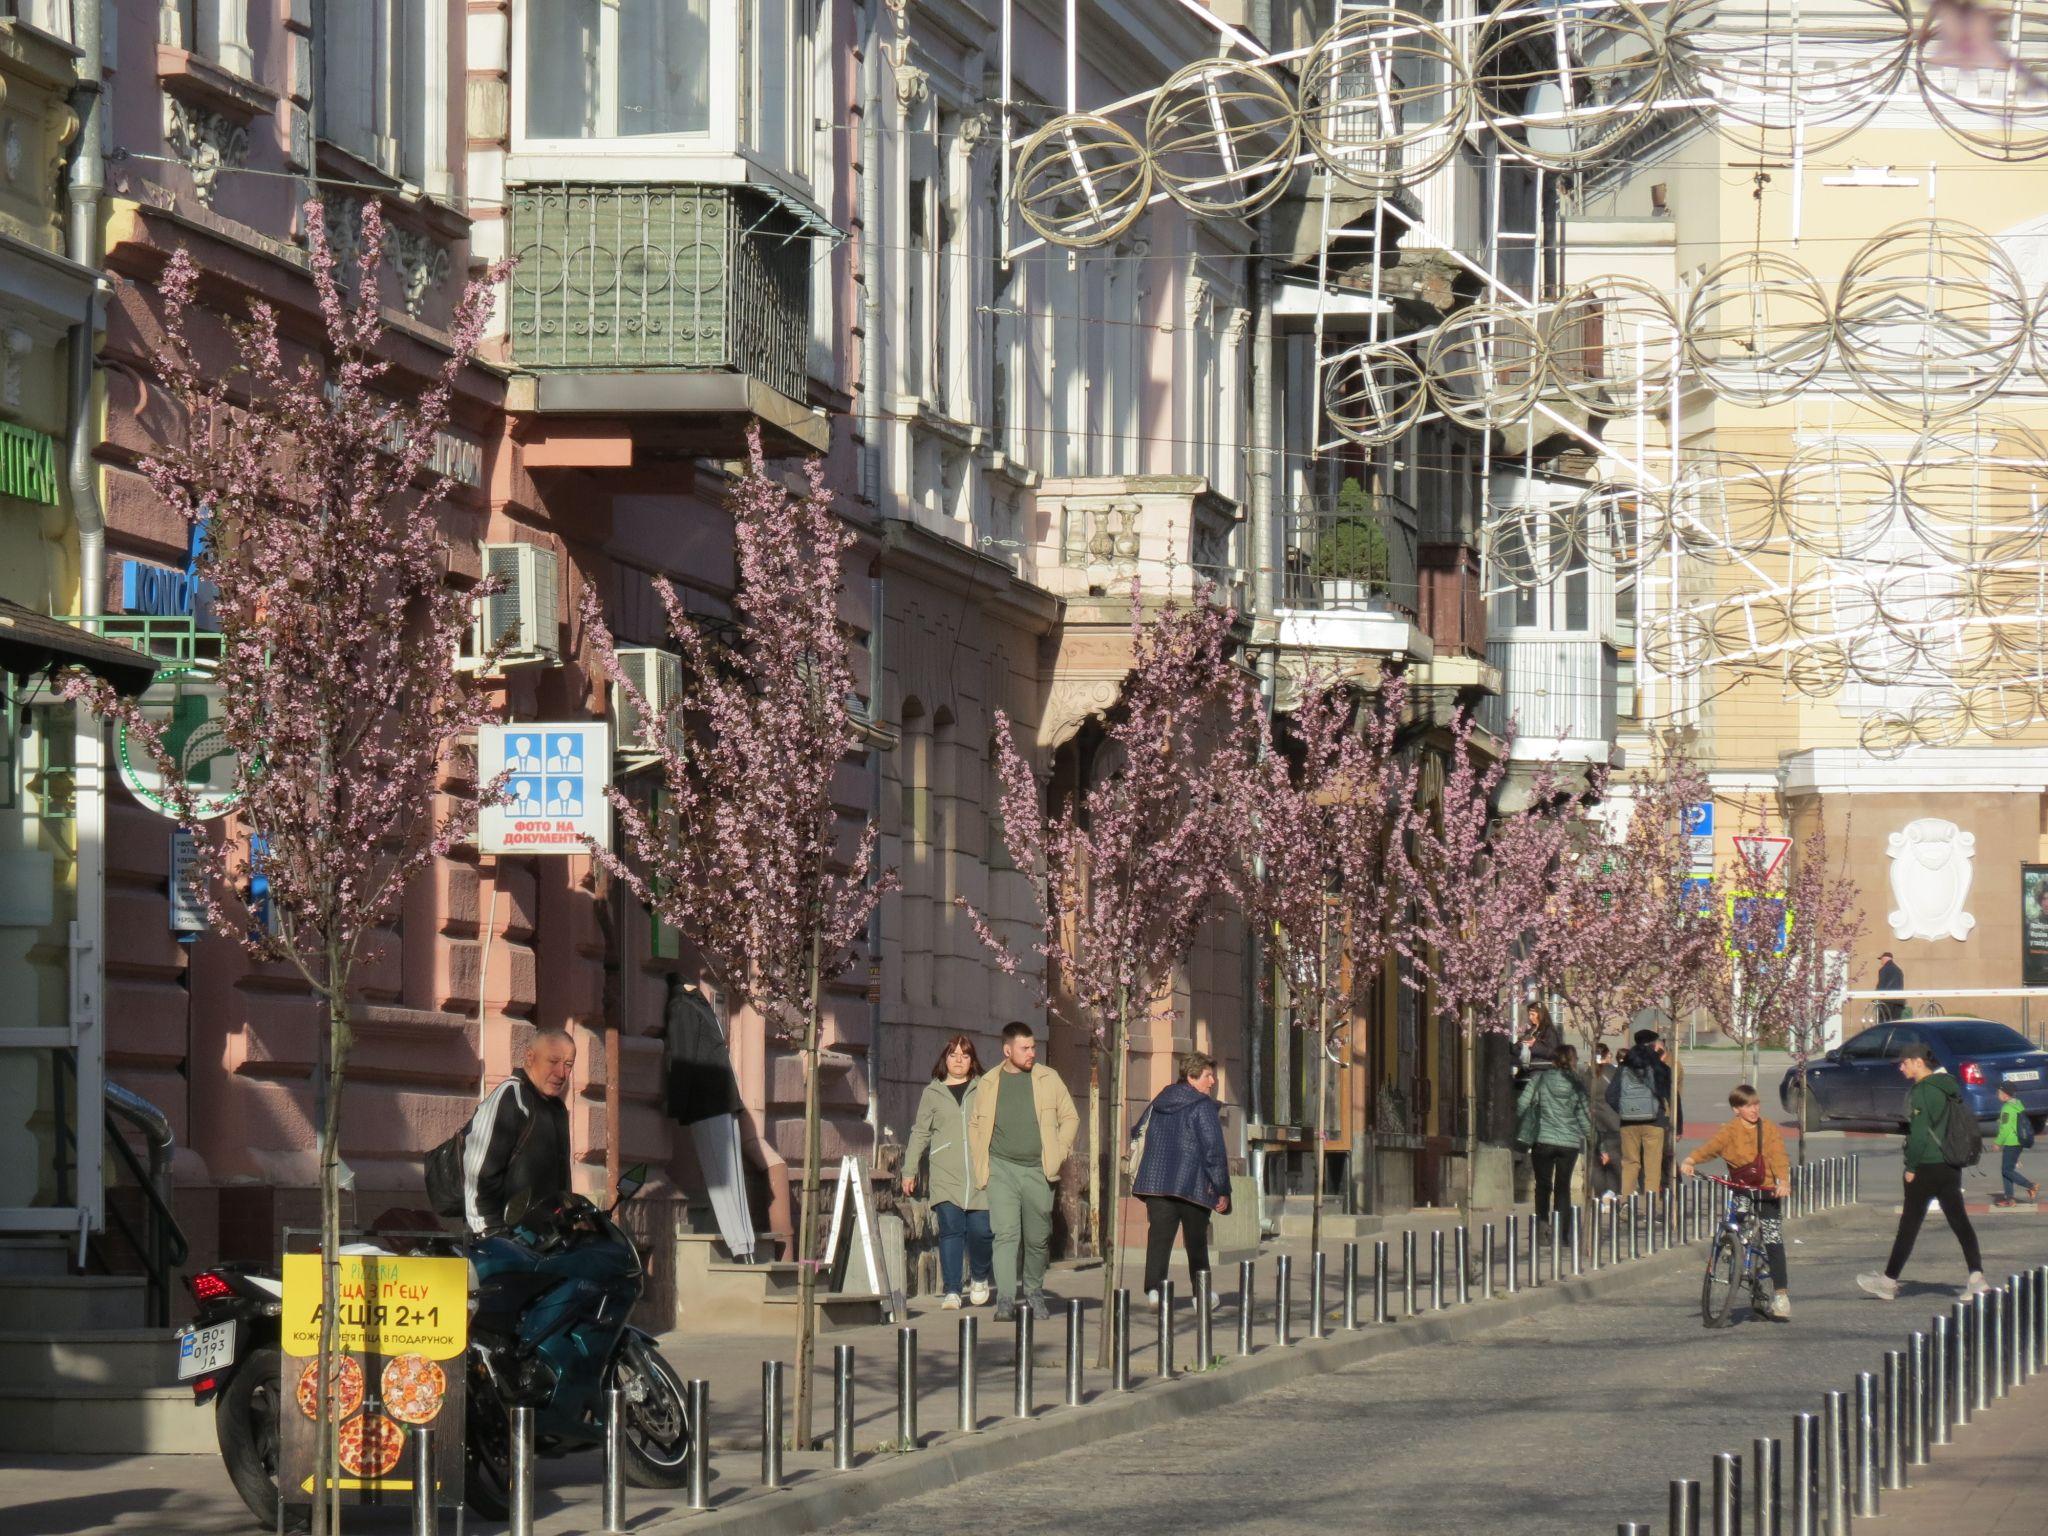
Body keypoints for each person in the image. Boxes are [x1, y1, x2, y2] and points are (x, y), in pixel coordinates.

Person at [967, 1021, 1080, 1321]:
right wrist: (982, 1158)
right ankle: (1005, 1299)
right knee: (1005, 1235)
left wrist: (1059, 1150)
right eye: (1025, 1048)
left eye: (1033, 1047)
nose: (1032, 1053)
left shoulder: (1048, 1079)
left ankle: (1033, 1291)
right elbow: (976, 1123)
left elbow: (1070, 1116)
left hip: (1038, 1170)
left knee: (1037, 1238)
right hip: (1001, 1169)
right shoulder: (989, 1082)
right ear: (1007, 1050)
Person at [1858, 1046, 1990, 1300]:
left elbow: (1918, 1135)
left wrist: (1911, 1168)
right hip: (1950, 1164)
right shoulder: (1947, 1085)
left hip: (1926, 1167)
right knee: (1960, 1222)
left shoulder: (1923, 1092)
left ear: (1918, 1062)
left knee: (1909, 1226)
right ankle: (1977, 1277)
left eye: (1904, 1062)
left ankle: (1888, 1282)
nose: (1901, 1067)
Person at [1680, 1084, 1794, 1319]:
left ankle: (1781, 1296)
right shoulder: (1730, 1131)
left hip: (1767, 1189)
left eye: (1756, 1104)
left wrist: (1783, 1181)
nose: (1754, 1110)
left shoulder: (1768, 1128)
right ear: (1736, 1109)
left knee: (1773, 1239)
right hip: (1742, 1187)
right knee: (1736, 1219)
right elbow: (1712, 1148)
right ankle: (1735, 1248)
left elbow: (1779, 1155)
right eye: (1747, 1106)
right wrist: (1691, 1159)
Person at [663, 978, 756, 1264]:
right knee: (734, 1180)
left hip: (706, 1102)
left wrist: (675, 1104)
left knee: (720, 1179)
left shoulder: (680, 1008)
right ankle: (747, 1246)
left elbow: (683, 1057)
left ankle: (739, 1249)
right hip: (725, 1100)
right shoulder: (703, 1006)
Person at [1131, 1051, 1231, 1303]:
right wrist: (1222, 1189)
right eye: (1208, 1076)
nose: (1212, 1082)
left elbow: (1137, 1133)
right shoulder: (1202, 1106)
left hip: (1157, 1184)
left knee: (1159, 1240)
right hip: (1193, 1186)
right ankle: (1201, 1294)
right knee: (1196, 1242)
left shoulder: (1160, 1100)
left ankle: (1154, 1292)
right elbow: (1214, 1151)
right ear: (1191, 1077)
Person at [903, 1034, 994, 1308]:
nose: (958, 1060)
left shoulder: (985, 1089)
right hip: (945, 1174)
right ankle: (952, 1289)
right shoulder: (933, 1092)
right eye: (953, 1055)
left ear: (972, 1061)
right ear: (945, 1058)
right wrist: (909, 1169)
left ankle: (979, 1277)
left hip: (981, 1173)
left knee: (981, 1231)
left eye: (964, 1056)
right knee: (951, 1230)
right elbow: (920, 1132)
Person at [462, 1026, 575, 1236]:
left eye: (568, 1065)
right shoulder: (511, 1096)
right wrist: (490, 1234)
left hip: (545, 1245)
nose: (562, 1073)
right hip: (503, 1245)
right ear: (530, 1057)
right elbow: (477, 1173)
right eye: (553, 1062)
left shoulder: (557, 1109)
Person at [1517, 1045, 1591, 1227]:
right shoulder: (1577, 1084)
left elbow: (1521, 1104)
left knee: (1542, 1185)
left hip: (1542, 1139)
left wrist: (1523, 1121)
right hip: (1569, 1143)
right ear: (1573, 1060)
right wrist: (1594, 1139)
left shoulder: (1540, 1079)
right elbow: (1584, 1115)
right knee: (1563, 1187)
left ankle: (1542, 1226)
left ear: (1554, 1060)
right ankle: (1562, 1233)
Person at [1605, 1028, 1673, 1196]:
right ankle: (1651, 1209)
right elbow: (1669, 1094)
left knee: (1629, 1164)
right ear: (1654, 1045)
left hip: (1628, 1122)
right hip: (1654, 1122)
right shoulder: (1659, 1067)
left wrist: (1624, 1110)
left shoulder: (1624, 1067)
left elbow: (1610, 1094)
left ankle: (1625, 1205)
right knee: (1652, 1167)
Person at [1992, 1077, 2040, 1208]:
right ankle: (2010, 1200)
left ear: (2005, 1094)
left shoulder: (2007, 1108)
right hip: (2018, 1141)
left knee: (2007, 1170)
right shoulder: (2018, 1104)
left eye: (1998, 1092)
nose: (1997, 1094)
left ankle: (2031, 1186)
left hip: (2011, 1142)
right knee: (2006, 1170)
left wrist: (1997, 1143)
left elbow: (2005, 1128)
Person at [1589, 1045, 1622, 1203]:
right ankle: (1611, 1193)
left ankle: (1599, 1194)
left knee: (1595, 1162)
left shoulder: (1588, 1074)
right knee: (1614, 1160)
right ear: (1607, 1055)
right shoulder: (1613, 1072)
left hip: (1593, 1122)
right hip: (1613, 1122)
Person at [1519, 1002, 1561, 1069]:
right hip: (1528, 1067)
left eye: (1532, 1014)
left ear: (1540, 1014)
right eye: (1529, 1015)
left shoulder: (1549, 1031)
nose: (1530, 1017)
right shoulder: (1530, 1030)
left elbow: (1553, 1052)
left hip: (1541, 1068)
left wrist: (1534, 1044)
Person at [1876, 952, 1906, 1023]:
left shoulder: (1884, 969)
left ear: (1884, 958)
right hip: (1898, 1002)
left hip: (1886, 1002)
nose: (1881, 961)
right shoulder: (1899, 970)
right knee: (1896, 1023)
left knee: (1884, 1023)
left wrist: (1876, 997)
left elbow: (1881, 985)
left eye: (1881, 959)